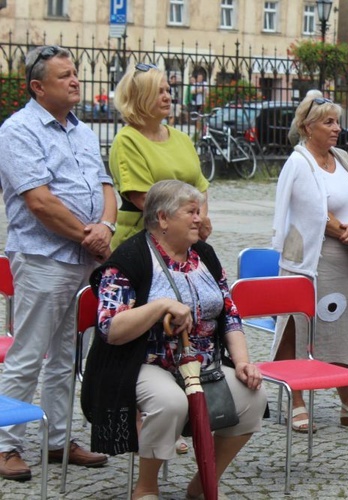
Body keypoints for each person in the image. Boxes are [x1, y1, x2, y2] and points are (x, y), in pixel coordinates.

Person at [81, 180, 267, 500]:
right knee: (170, 401)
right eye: (191, 212)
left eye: (200, 211)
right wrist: (159, 306)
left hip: (199, 363)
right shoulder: (130, 258)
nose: (199, 218)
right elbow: (110, 329)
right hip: (141, 362)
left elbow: (230, 315)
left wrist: (242, 363)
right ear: (163, 219)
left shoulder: (204, 254)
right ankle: (146, 487)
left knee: (253, 398)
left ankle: (202, 483)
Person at [0, 45, 114, 481]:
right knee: (28, 353)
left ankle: (57, 440)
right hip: (45, 257)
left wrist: (105, 224)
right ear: (37, 86)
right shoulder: (19, 131)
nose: (75, 81)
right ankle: (7, 444)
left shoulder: (82, 130)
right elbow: (39, 202)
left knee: (67, 356)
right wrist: (91, 237)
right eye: (64, 75)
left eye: (76, 73)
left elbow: (105, 183)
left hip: (82, 258)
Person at [271, 90, 348, 433]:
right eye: (329, 122)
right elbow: (313, 212)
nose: (336, 129)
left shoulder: (342, 157)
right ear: (307, 127)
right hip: (310, 258)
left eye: (337, 122)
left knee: (341, 328)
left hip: (347, 259)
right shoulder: (300, 162)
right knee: (298, 324)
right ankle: (296, 398)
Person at [109, 63, 211, 250]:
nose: (167, 97)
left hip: (184, 242)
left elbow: (201, 187)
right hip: (143, 244)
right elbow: (145, 199)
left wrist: (200, 218)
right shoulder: (127, 140)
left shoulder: (182, 138)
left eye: (168, 90)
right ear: (139, 98)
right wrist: (193, 219)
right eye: (158, 92)